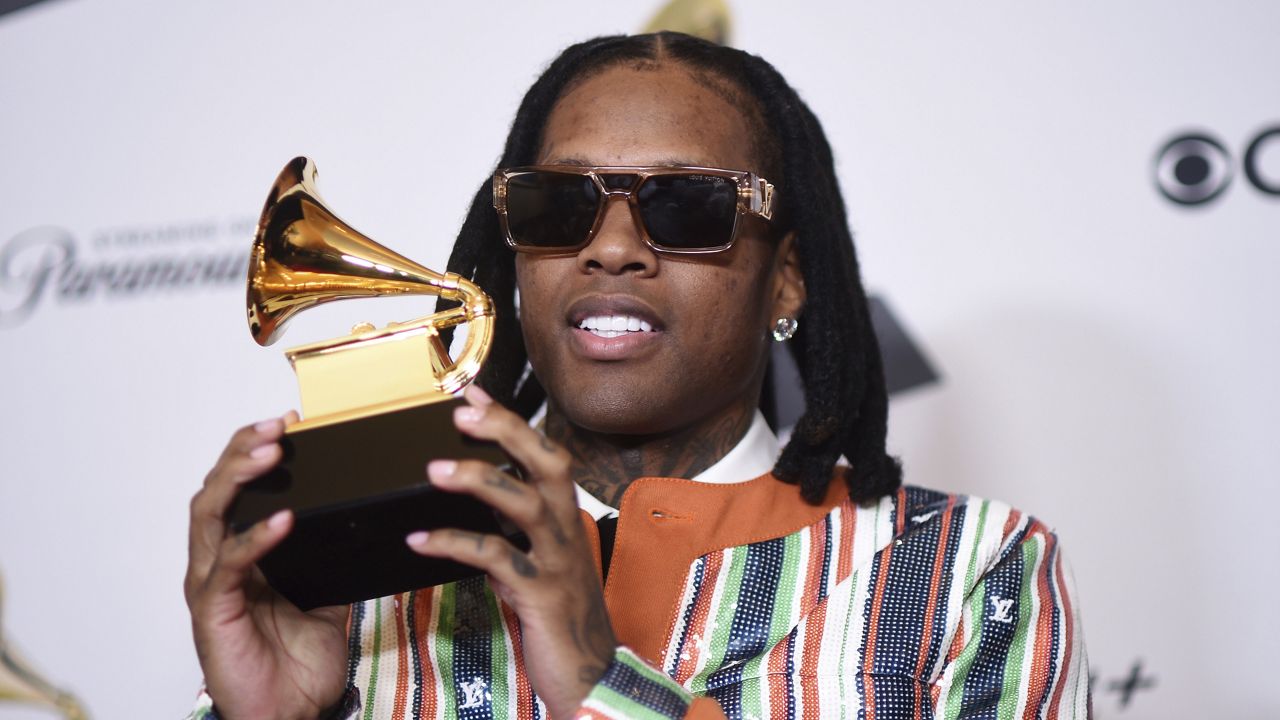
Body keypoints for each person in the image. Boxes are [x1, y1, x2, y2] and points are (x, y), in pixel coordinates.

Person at [185, 32, 1090, 720]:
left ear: (786, 275)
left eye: (687, 205)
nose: (611, 247)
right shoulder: (372, 576)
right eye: (558, 205)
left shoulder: (975, 567)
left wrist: (597, 681)